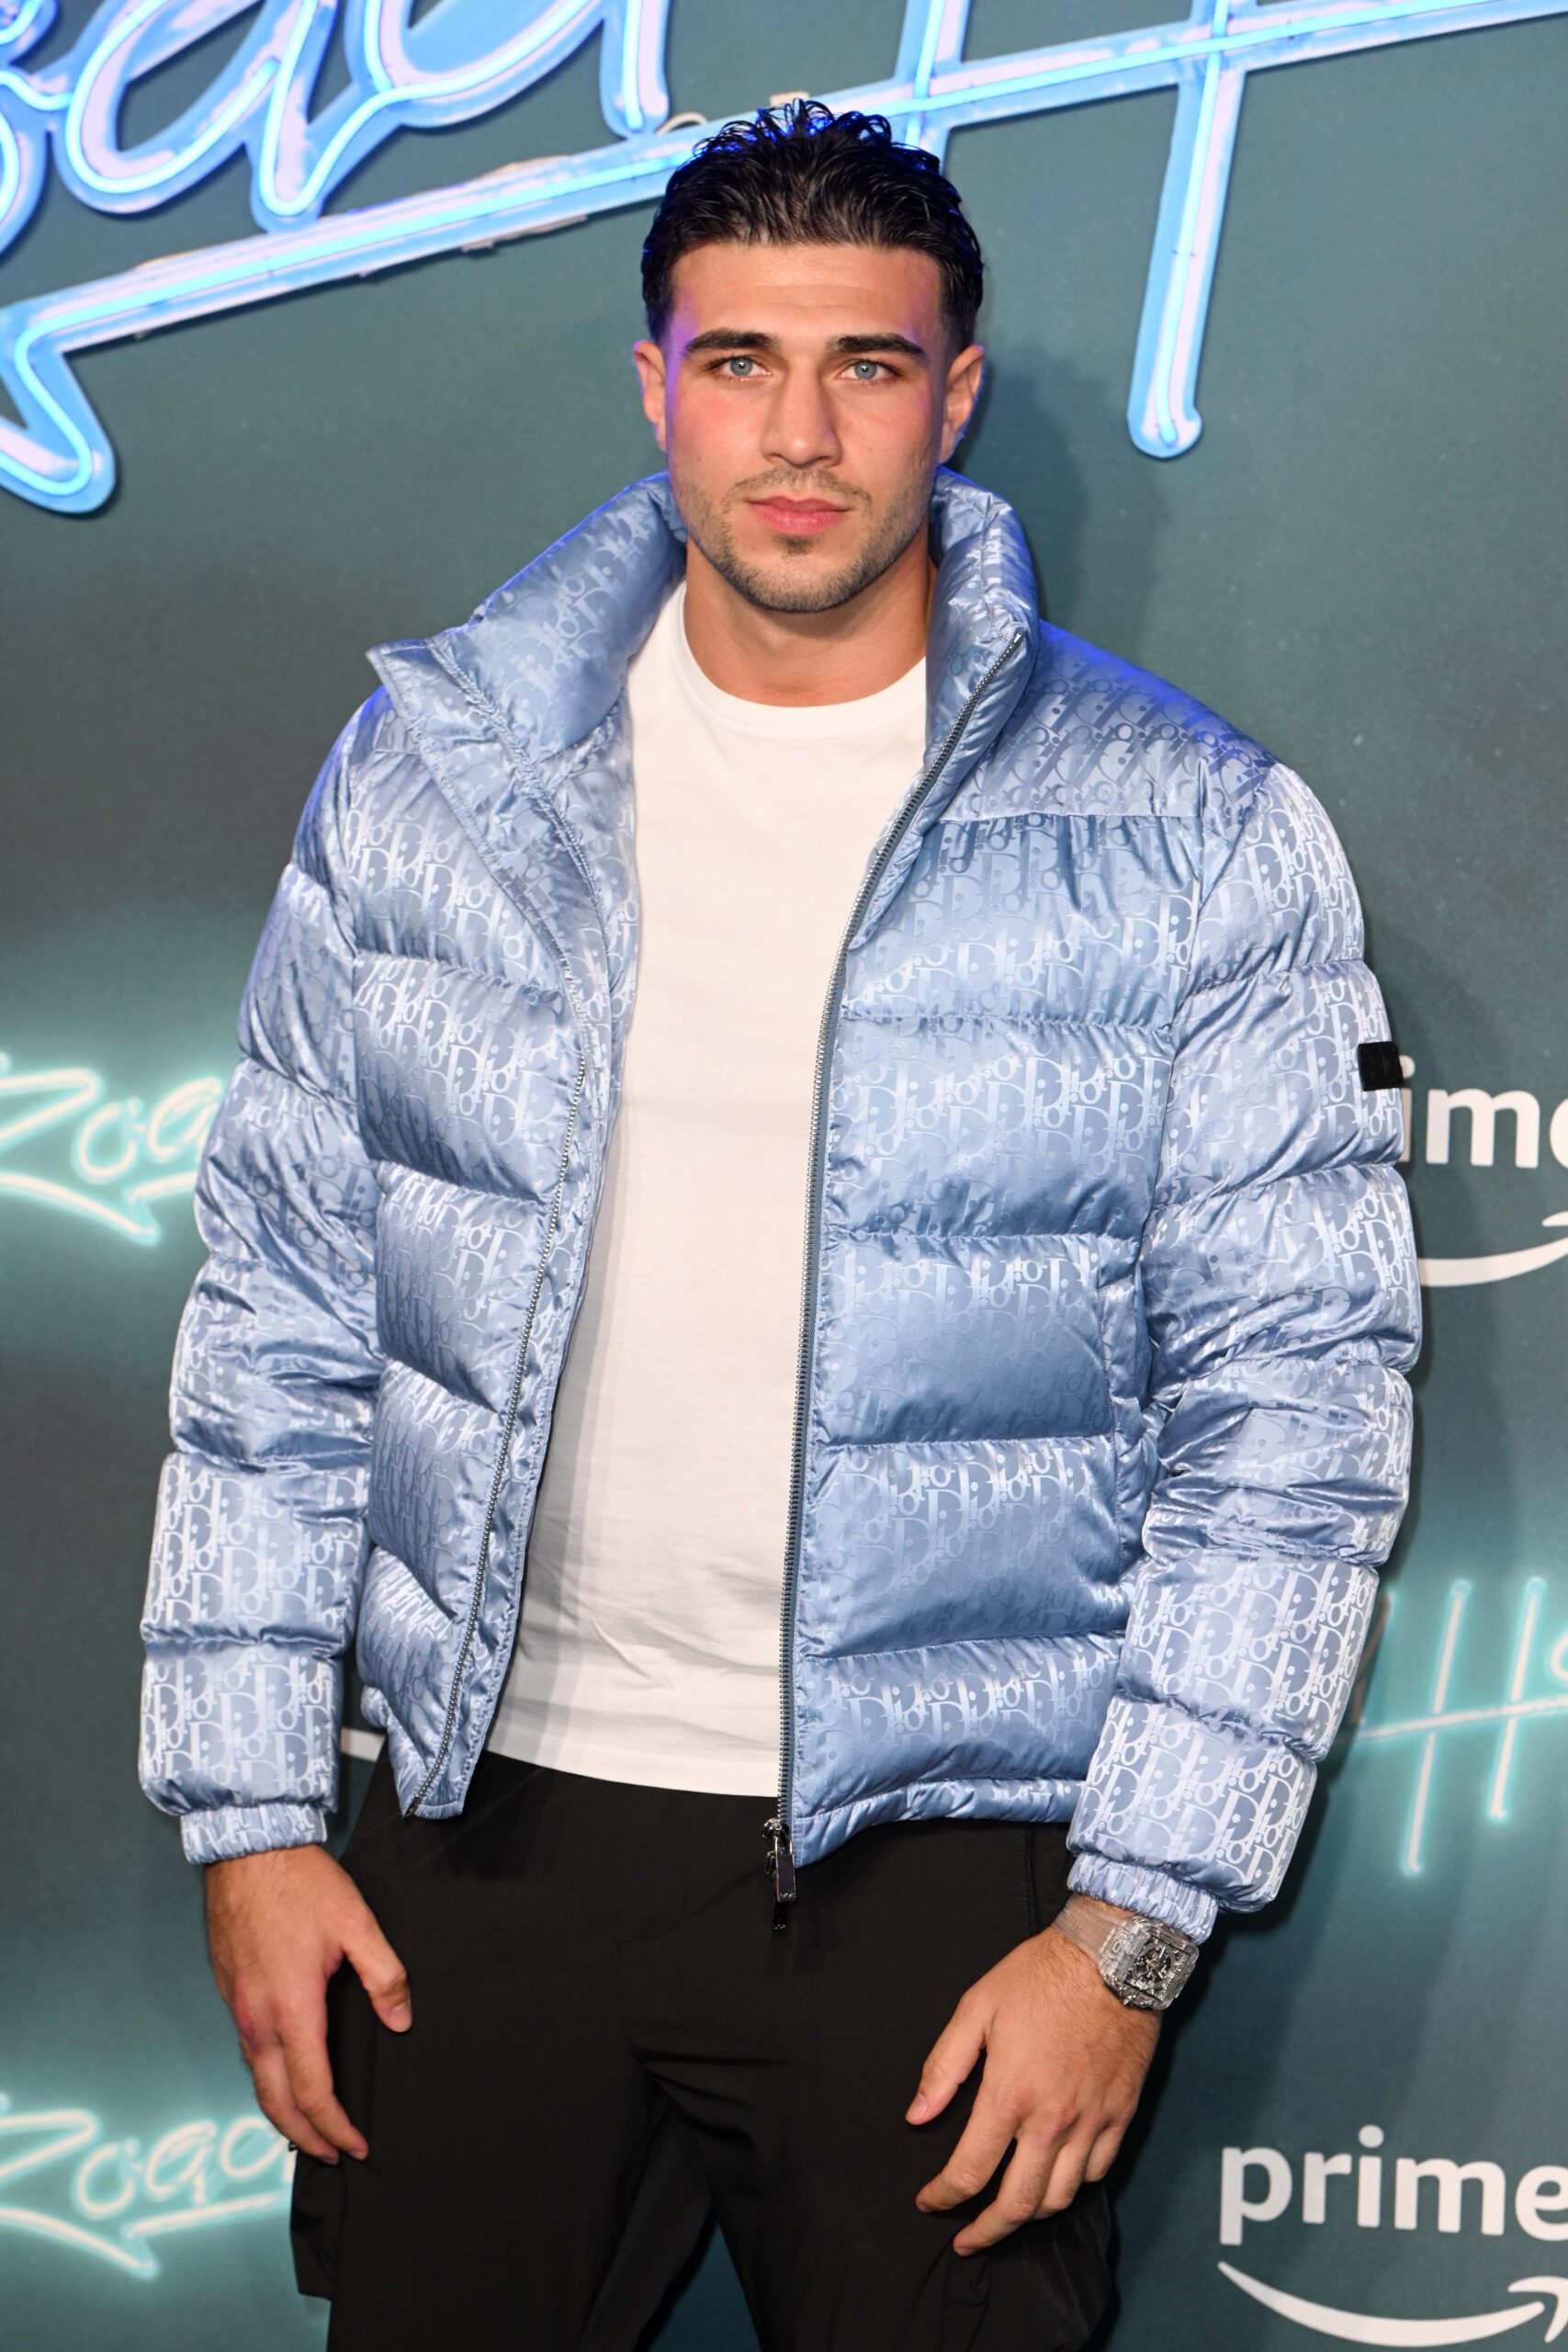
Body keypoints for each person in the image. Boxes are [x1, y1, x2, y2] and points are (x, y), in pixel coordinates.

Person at [138, 99, 1420, 2352]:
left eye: (862, 365)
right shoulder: (438, 776)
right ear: (655, 386)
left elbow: (1292, 1415)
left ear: (956, 387)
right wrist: (249, 1819)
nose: (800, 434)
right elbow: (280, 1321)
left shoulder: (1184, 829)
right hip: (489, 1837)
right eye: (739, 363)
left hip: (941, 1881)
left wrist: (1126, 1930)